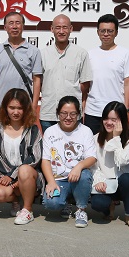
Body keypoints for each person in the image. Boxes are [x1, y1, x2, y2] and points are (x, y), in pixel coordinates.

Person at [41, 96, 97, 228]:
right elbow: (45, 160)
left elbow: (92, 158)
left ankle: (81, 209)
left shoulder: (85, 131)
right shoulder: (50, 132)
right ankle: (65, 203)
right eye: (64, 113)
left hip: (78, 176)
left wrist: (79, 166)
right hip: (59, 178)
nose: (68, 117)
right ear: (58, 113)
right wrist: (51, 181)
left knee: (84, 175)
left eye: (73, 114)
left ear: (78, 114)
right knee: (51, 204)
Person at [0, 88, 43, 225]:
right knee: (0, 194)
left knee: (24, 170)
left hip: (29, 175)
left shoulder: (33, 129)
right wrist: (5, 177)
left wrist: (14, 175)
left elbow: (35, 157)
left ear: (26, 109)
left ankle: (27, 210)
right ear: (5, 108)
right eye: (12, 108)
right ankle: (16, 202)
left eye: (20, 108)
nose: (15, 112)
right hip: (5, 175)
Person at [89, 101, 129, 229]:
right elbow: (93, 166)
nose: (108, 122)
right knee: (97, 204)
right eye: (106, 118)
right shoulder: (95, 139)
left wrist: (116, 138)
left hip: (125, 184)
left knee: (126, 179)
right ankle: (109, 208)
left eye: (114, 120)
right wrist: (99, 181)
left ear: (122, 121)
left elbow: (122, 161)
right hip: (106, 184)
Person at [84, 14, 129, 135]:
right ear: (98, 32)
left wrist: (126, 107)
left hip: (116, 111)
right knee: (92, 144)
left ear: (116, 32)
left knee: (116, 143)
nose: (106, 34)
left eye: (110, 31)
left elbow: (128, 82)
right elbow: (86, 84)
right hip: (93, 111)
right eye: (103, 31)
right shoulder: (90, 54)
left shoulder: (125, 53)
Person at [39, 14, 92, 132]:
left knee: (73, 143)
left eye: (65, 27)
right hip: (49, 112)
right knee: (50, 143)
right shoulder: (43, 54)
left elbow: (85, 84)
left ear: (71, 29)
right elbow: (39, 82)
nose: (61, 31)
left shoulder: (81, 53)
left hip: (72, 115)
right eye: (58, 27)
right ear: (52, 29)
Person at [0, 11, 43, 118]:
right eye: (11, 23)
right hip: (0, 106)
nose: (14, 26)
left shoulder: (33, 51)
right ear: (5, 27)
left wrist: (34, 106)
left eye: (18, 23)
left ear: (23, 26)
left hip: (23, 106)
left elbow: (37, 80)